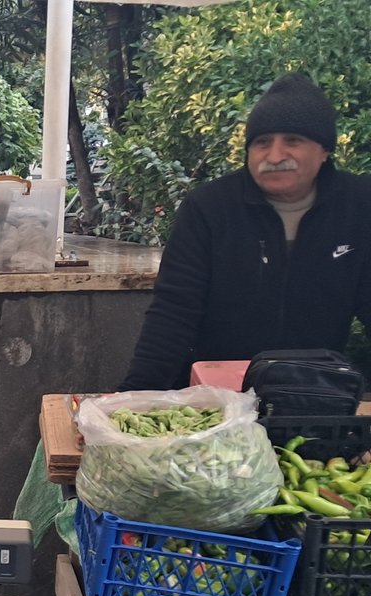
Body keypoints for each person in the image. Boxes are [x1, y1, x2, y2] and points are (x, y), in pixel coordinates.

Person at [120, 72, 371, 391]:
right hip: (212, 396)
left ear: (324, 151)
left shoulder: (359, 206)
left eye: (293, 141)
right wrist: (134, 397)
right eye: (262, 143)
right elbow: (173, 313)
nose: (276, 156)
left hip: (315, 393)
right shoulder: (209, 208)